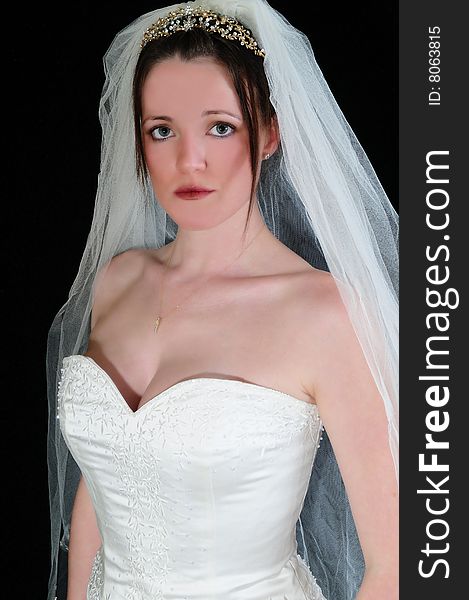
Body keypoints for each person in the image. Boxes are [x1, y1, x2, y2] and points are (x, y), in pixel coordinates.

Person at [46, 1, 399, 599]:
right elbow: (101, 491)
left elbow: (392, 566)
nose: (190, 160)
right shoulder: (118, 281)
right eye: (162, 130)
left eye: (220, 126)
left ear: (267, 132)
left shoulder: (323, 313)